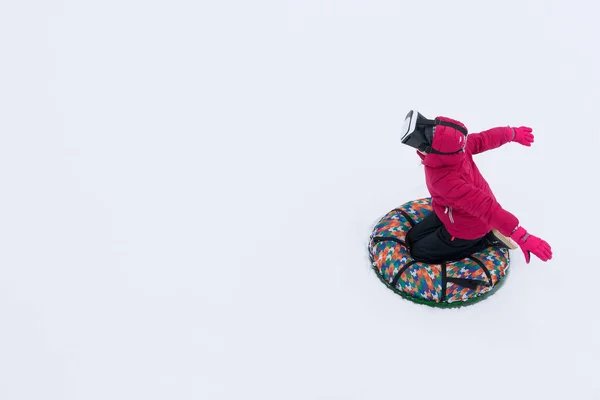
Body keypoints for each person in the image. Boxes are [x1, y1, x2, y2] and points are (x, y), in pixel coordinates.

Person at [399, 110, 552, 264]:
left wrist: (522, 236)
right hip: (451, 211)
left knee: (419, 253)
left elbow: (485, 207)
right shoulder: (459, 148)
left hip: (468, 227)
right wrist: (511, 133)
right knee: (411, 238)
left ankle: (487, 239)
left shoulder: (446, 181)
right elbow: (485, 139)